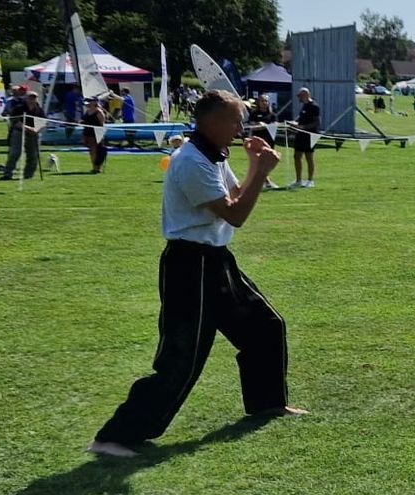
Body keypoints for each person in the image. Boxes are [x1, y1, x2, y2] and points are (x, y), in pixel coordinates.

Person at [87, 91, 302, 458]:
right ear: (212, 121)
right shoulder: (189, 161)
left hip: (216, 260)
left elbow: (234, 193)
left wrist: (253, 166)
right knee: (180, 359)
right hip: (190, 265)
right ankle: (113, 438)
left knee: (266, 326)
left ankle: (267, 404)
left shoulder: (212, 154)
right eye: (235, 120)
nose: (240, 127)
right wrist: (262, 171)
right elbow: (234, 214)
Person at [290, 88, 320, 189]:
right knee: (297, 156)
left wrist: (303, 127)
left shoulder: (314, 106)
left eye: (300, 96)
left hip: (310, 135)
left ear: (306, 95)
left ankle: (310, 180)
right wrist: (294, 123)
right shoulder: (304, 106)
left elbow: (317, 122)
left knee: (309, 157)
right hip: (300, 135)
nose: (299, 98)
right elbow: (301, 117)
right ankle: (298, 180)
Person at [0, 85, 30, 178]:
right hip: (14, 128)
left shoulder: (28, 101)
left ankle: (27, 170)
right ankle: (10, 167)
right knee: (13, 149)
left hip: (28, 128)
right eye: (20, 91)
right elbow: (4, 113)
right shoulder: (10, 101)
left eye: (23, 92)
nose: (21, 93)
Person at [82, 98, 109, 173]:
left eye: (90, 102)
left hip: (96, 133)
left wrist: (101, 135)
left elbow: (102, 124)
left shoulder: (99, 112)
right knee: (91, 151)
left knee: (97, 150)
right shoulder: (87, 111)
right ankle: (94, 167)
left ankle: (98, 167)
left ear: (94, 102)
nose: (88, 104)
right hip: (87, 132)